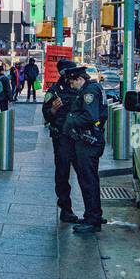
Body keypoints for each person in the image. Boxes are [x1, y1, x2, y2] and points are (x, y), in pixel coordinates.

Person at [63, 66, 107, 234]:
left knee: (88, 180)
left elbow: (90, 116)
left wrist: (71, 118)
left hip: (88, 142)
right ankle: (92, 214)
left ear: (79, 79)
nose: (71, 85)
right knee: (89, 179)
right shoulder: (93, 88)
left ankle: (93, 219)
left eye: (72, 82)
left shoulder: (89, 92)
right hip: (89, 141)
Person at [42, 58, 80, 223]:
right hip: (61, 138)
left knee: (85, 175)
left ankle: (91, 213)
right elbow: (46, 115)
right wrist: (53, 109)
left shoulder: (80, 87)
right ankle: (66, 208)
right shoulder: (54, 91)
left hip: (79, 137)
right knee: (63, 173)